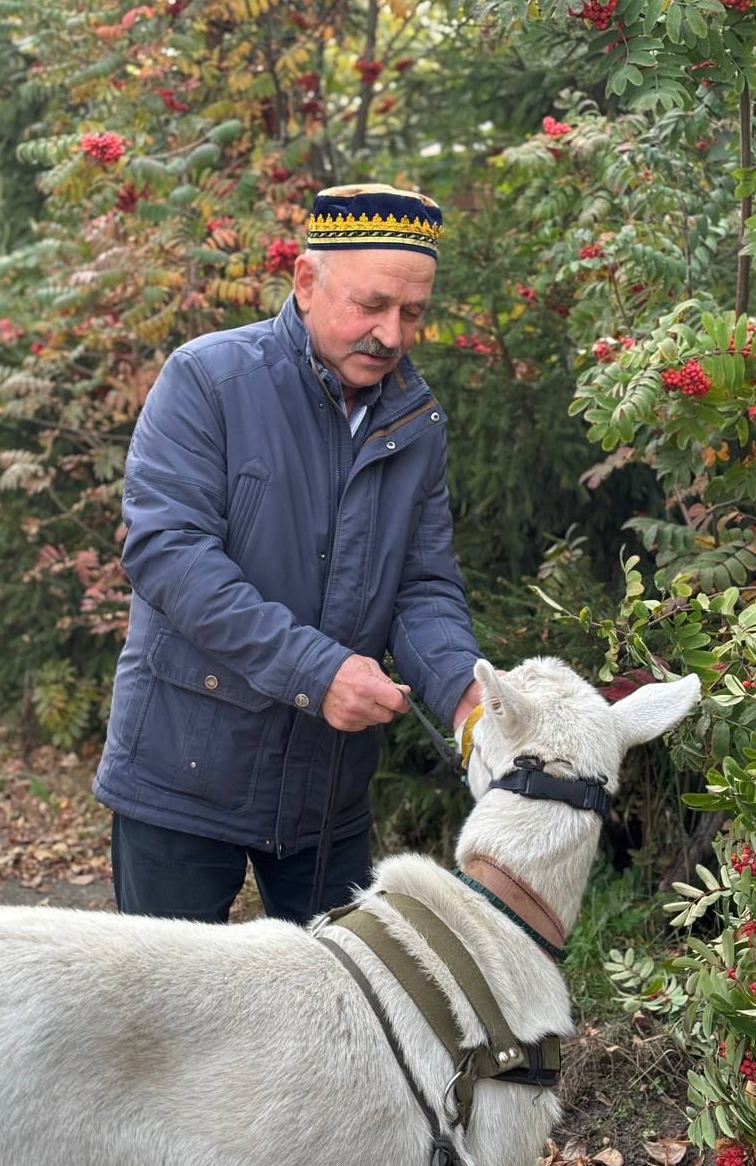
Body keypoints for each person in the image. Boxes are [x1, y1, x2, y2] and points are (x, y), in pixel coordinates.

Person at [93, 182, 483, 924]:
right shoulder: (207, 379)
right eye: (372, 306)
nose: (392, 335)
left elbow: (423, 586)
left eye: (413, 313)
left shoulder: (416, 422)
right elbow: (170, 555)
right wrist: (321, 671)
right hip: (183, 773)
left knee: (339, 1019)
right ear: (306, 281)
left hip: (325, 788)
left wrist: (465, 695)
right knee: (167, 1027)